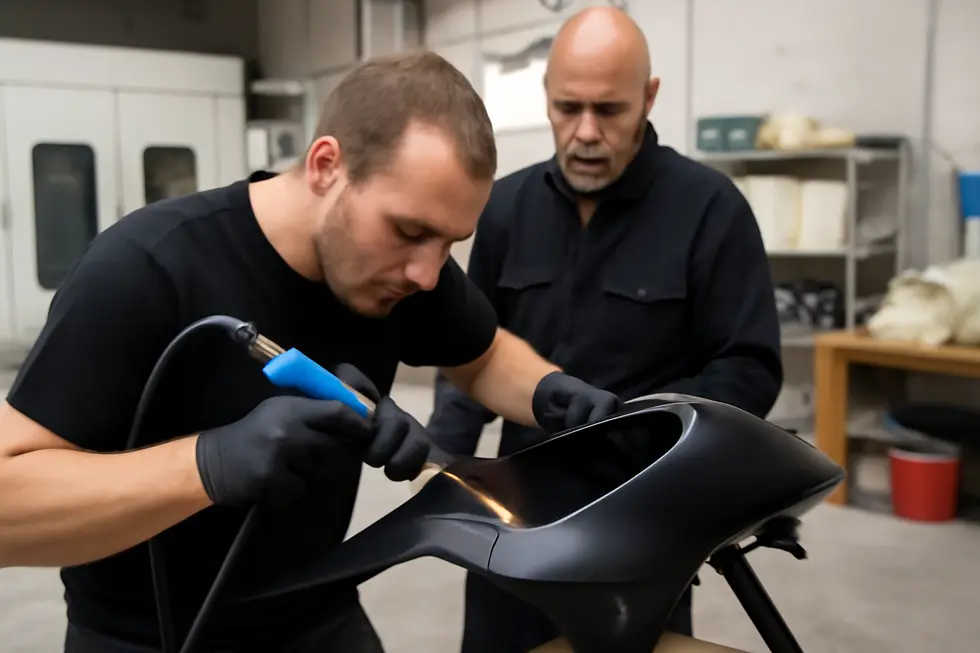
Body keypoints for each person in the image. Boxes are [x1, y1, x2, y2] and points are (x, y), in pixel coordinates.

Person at [0, 50, 622, 653]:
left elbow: (480, 357)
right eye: (410, 231)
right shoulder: (144, 269)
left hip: (318, 614)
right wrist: (209, 465)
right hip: (148, 637)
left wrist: (548, 391)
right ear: (327, 166)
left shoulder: (407, 272)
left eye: (449, 243)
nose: (429, 273)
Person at [424, 7, 784, 653]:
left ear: (649, 97)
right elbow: (469, 345)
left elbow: (750, 365)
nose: (585, 132)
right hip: (514, 518)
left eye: (610, 110)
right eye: (568, 108)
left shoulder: (710, 210)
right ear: (546, 96)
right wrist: (444, 460)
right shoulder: (504, 208)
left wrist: (643, 428)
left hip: (643, 520)